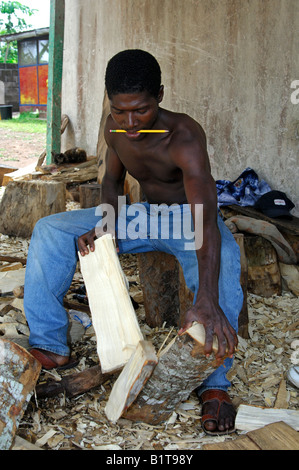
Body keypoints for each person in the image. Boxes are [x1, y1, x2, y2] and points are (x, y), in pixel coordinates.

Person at [24, 49, 243, 435]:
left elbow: (205, 216)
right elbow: (110, 182)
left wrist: (206, 295)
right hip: (140, 217)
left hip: (189, 220)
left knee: (223, 262)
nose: (130, 123)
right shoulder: (116, 127)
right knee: (49, 230)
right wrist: (108, 224)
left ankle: (215, 385)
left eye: (140, 110)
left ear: (159, 94)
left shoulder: (184, 135)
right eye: (119, 110)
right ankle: (51, 343)